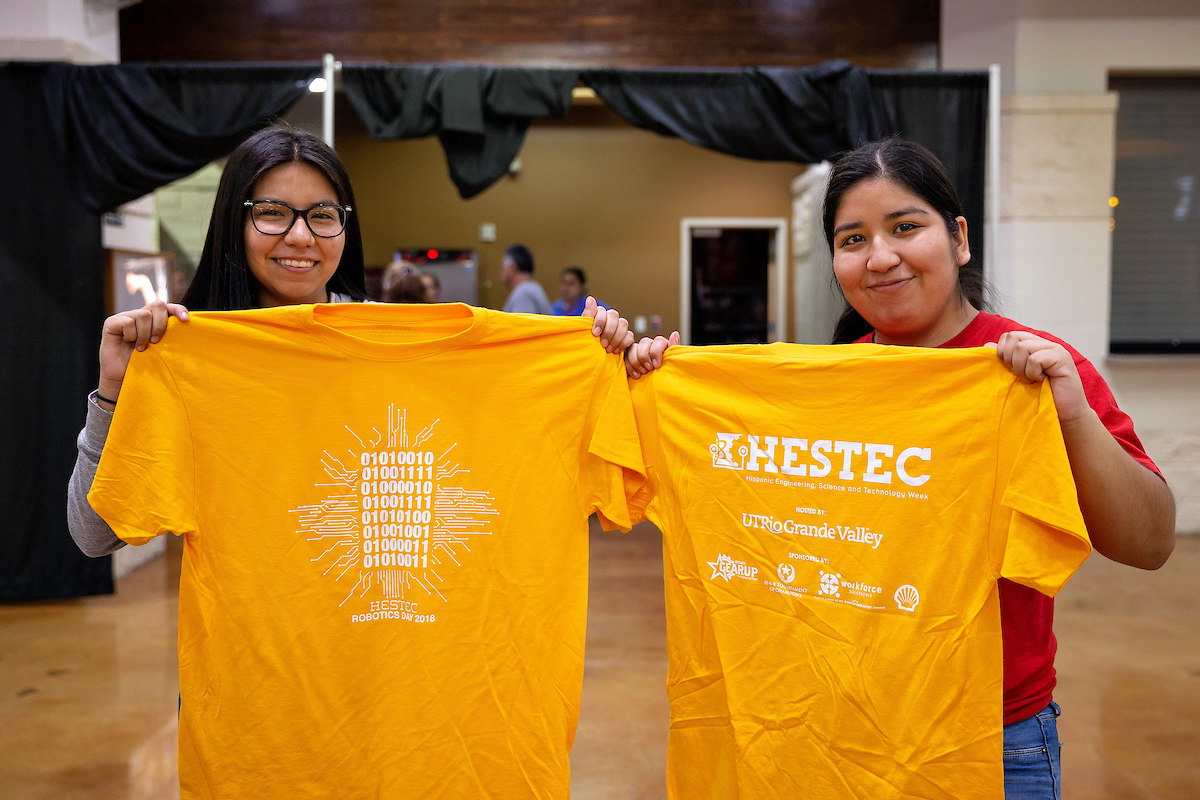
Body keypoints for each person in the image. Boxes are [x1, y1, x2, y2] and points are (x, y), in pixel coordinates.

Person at [626, 137, 1176, 799]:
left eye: (905, 227)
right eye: (852, 239)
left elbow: (1149, 543)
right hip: (836, 727)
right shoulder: (828, 382)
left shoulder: (1031, 370)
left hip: (991, 739)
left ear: (958, 237)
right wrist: (652, 378)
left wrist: (1071, 416)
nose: (881, 256)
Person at [68, 125, 633, 558]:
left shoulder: (394, 343)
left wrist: (607, 368)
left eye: (322, 216)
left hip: (381, 676)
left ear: (346, 226)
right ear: (232, 224)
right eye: (271, 213)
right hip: (248, 689)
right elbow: (96, 536)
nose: (300, 237)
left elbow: (520, 457)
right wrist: (114, 395)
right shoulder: (190, 352)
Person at [501, 243, 552, 314]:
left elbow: (521, 324)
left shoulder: (523, 294)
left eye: (503, 267)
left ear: (512, 268)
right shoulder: (532, 288)